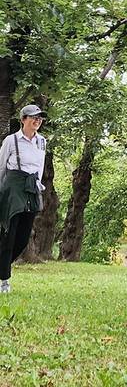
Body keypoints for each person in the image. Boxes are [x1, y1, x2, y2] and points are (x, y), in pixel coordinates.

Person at [0, 104, 47, 294]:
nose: (37, 120)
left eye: (39, 118)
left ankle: (2, 268)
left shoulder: (42, 141)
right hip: (13, 187)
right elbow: (1, 167)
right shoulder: (11, 140)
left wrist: (38, 185)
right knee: (8, 235)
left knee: (22, 238)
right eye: (33, 117)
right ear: (23, 119)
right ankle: (4, 281)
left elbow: (40, 166)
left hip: (31, 187)